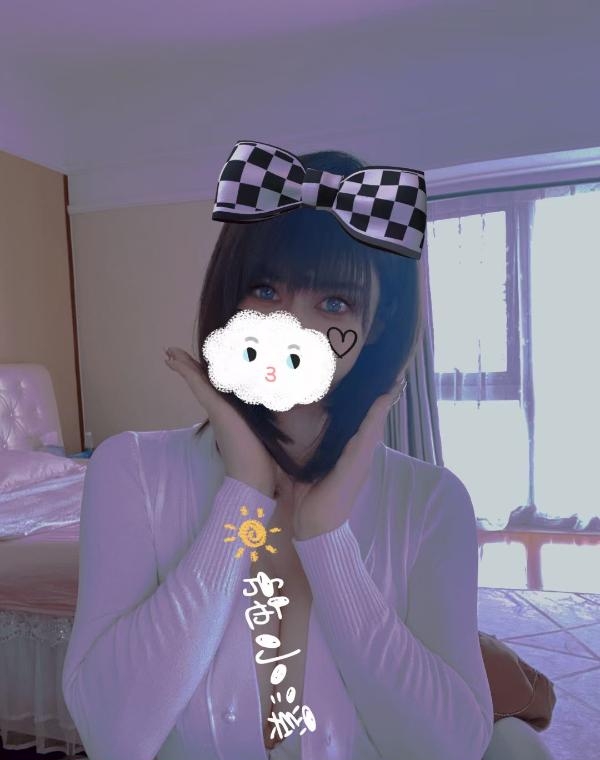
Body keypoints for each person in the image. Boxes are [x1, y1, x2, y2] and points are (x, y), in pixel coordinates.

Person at [62, 149, 555, 760]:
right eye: (266, 290)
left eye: (334, 303)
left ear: (376, 325)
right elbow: (112, 736)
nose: (287, 329)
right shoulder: (131, 472)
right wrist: (241, 497)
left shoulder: (432, 503)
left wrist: (326, 540)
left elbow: (449, 748)